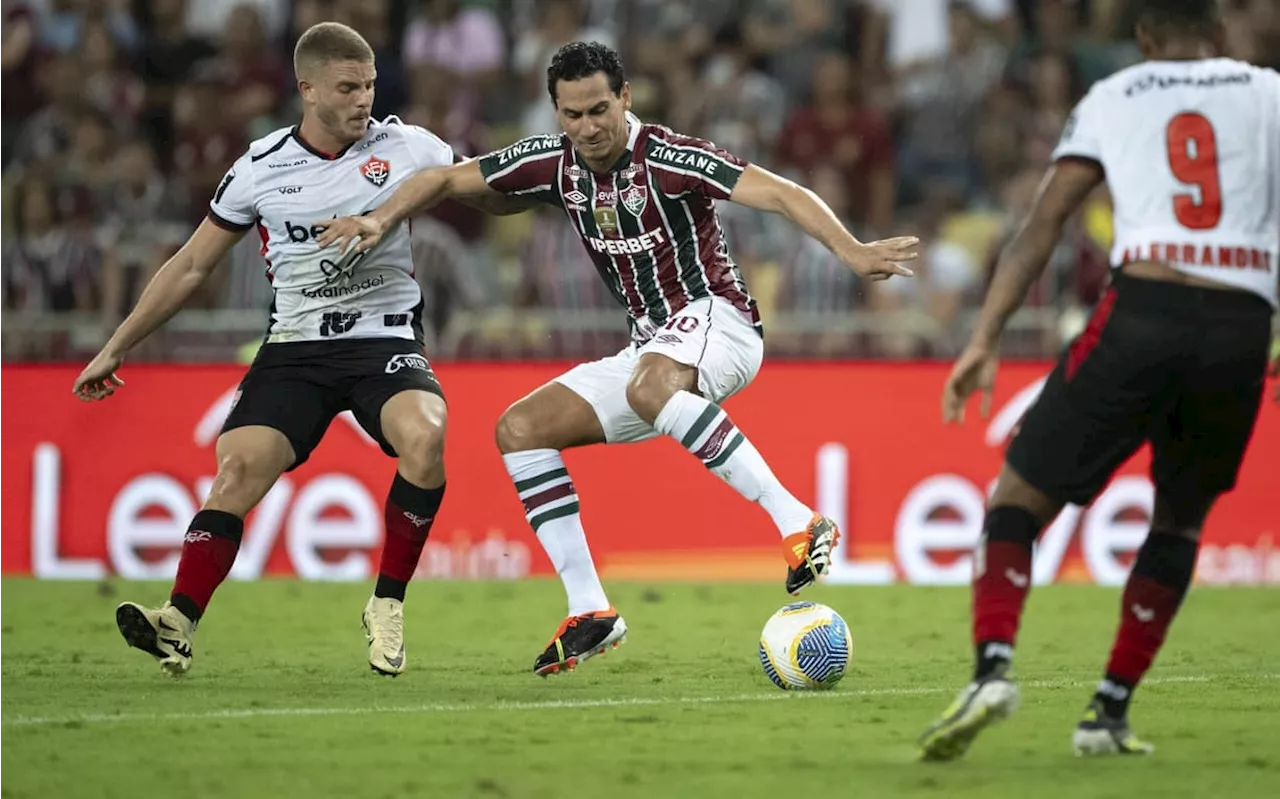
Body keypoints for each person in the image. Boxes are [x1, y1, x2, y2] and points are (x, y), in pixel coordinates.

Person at [317, 41, 919, 676]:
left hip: (721, 318)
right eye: (571, 114)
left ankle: (799, 522)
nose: (588, 127)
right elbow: (445, 178)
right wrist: (379, 220)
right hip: (650, 348)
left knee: (647, 386)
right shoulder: (555, 164)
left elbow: (779, 192)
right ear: (556, 112)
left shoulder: (670, 157)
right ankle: (591, 610)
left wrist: (850, 250)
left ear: (625, 98)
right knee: (520, 429)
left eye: (599, 109)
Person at [71, 22, 527, 678]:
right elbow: (194, 264)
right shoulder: (260, 168)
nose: (362, 99)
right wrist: (117, 345)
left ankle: (387, 604)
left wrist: (523, 184)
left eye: (369, 85)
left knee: (427, 439)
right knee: (236, 472)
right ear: (306, 88)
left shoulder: (409, 146)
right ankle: (177, 621)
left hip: (384, 338)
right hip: (296, 349)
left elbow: (483, 196)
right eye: (347, 87)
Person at [918, 0, 1280, 760]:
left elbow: (1043, 224)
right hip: (1242, 327)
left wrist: (983, 338)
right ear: (1218, 35)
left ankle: (992, 668)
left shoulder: (1115, 96)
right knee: (1178, 521)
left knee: (1015, 496)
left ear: (1144, 40)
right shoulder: (1270, 92)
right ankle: (1107, 712)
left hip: (1144, 306)